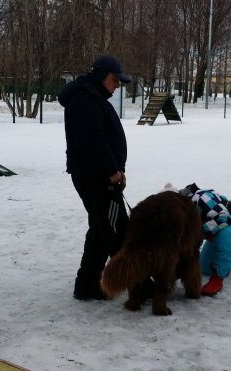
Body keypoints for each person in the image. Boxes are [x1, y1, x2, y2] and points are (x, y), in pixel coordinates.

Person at [58, 55, 132, 300]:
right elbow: (93, 142)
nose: (117, 85)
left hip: (99, 176)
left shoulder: (92, 96)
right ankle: (139, 286)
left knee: (101, 230)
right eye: (115, 80)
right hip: (97, 179)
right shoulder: (86, 100)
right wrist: (112, 172)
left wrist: (115, 170)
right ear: (102, 76)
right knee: (118, 232)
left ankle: (87, 285)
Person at [179, 183, 231, 296]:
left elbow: (224, 218)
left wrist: (199, 233)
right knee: (205, 267)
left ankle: (217, 278)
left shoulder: (201, 197)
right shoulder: (185, 207)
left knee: (225, 235)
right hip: (218, 230)